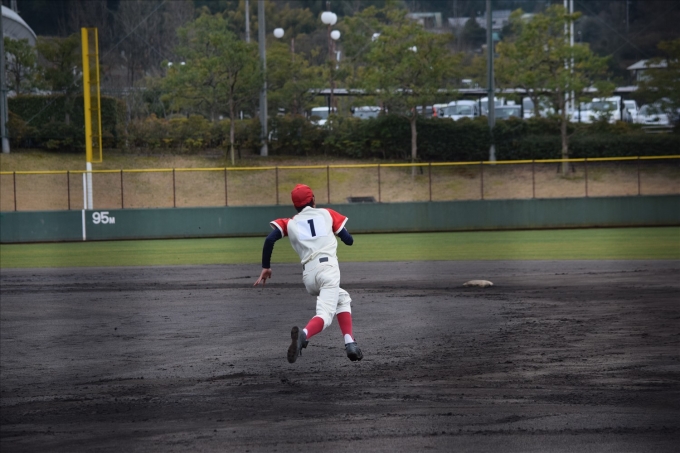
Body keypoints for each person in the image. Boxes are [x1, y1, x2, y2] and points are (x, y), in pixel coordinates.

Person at [254, 184, 363, 364]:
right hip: (328, 270)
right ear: (313, 200)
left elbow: (270, 239)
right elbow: (349, 240)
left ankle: (350, 343)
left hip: (309, 277)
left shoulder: (290, 222)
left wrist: (266, 267)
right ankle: (303, 335)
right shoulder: (327, 214)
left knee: (342, 298)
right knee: (325, 315)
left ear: (295, 205)